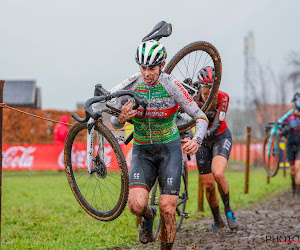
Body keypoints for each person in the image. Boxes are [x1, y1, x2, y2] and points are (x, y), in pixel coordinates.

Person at [110, 40, 208, 249]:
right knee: (136, 205)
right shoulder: (130, 86)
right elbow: (113, 120)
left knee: (168, 208)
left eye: (152, 68)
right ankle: (148, 216)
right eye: (143, 68)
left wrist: (197, 140)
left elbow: (200, 116)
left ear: (161, 65)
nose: (147, 73)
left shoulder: (172, 86)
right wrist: (121, 118)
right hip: (142, 151)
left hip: (169, 151)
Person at [194, 66, 238, 230]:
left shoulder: (223, 97)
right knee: (209, 186)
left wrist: (202, 133)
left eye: (212, 86)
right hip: (202, 141)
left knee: (218, 174)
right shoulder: (194, 96)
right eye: (205, 86)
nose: (208, 90)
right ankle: (217, 220)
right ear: (199, 85)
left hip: (220, 136)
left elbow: (216, 124)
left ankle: (228, 212)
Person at [278, 93, 300, 197]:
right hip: (291, 144)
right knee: (292, 170)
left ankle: (298, 192)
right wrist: (283, 130)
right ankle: (293, 186)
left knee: (298, 167)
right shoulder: (288, 117)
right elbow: (280, 129)